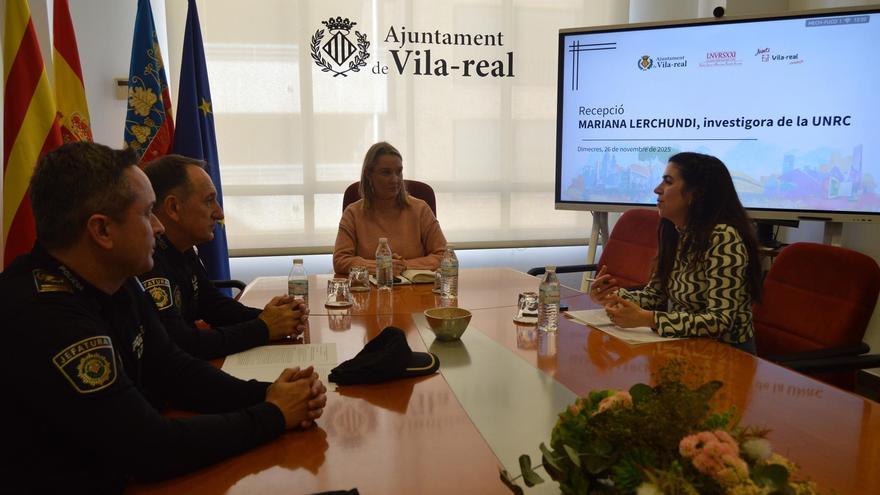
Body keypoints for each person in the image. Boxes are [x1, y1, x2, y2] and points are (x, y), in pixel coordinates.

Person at [0, 142, 326, 492]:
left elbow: (174, 369)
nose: (158, 227)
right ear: (103, 231)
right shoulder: (46, 317)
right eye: (146, 213)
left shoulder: (114, 279)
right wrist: (274, 414)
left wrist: (271, 394)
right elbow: (149, 448)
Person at [590, 152, 762, 353]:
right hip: (684, 345)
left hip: (726, 354)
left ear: (695, 194)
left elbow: (721, 321)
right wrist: (612, 296)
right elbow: (655, 296)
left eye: (668, 182)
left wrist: (649, 319)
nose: (657, 189)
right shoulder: (676, 231)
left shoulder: (723, 237)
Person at [141, 154, 307, 360]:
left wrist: (278, 317)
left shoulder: (182, 248)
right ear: (174, 207)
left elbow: (214, 306)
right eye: (209, 201)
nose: (219, 213)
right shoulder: (146, 260)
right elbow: (183, 344)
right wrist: (263, 327)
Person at [332, 141, 447, 275]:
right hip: (370, 292)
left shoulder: (420, 209)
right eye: (386, 173)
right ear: (369, 174)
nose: (395, 179)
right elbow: (340, 261)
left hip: (416, 291)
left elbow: (445, 256)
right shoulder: (353, 213)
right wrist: (382, 266)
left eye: (399, 172)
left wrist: (404, 265)